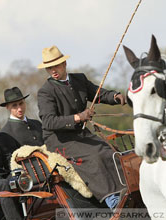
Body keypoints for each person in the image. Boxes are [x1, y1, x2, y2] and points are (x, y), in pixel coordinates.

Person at [37, 45, 126, 210]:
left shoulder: (79, 79)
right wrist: (78, 117)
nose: (53, 70)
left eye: (55, 65)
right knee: (94, 156)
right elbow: (49, 122)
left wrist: (115, 96)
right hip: (59, 140)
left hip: (80, 135)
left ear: (64, 64)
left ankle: (125, 191)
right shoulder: (45, 92)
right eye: (49, 68)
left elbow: (99, 94)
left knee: (109, 151)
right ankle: (113, 201)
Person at [0, 87, 43, 157]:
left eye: (21, 103)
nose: (19, 109)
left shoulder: (37, 123)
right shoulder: (5, 133)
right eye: (14, 105)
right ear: (7, 107)